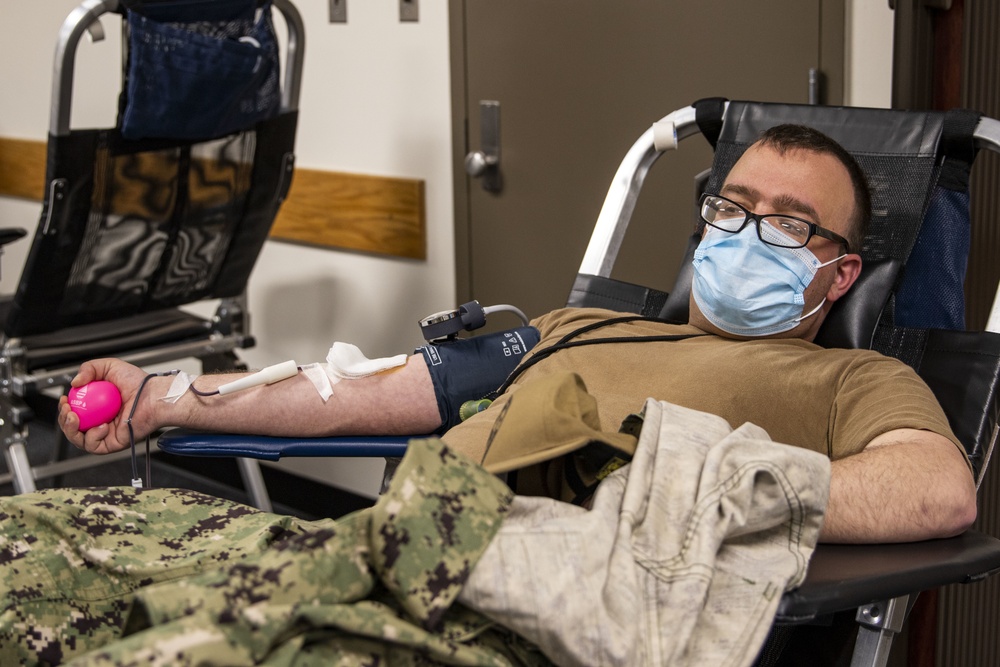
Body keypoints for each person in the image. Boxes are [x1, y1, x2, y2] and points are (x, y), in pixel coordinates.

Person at [56, 123, 977, 545]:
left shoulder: (852, 380)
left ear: (839, 271)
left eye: (787, 223)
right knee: (44, 529)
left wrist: (699, 485)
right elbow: (372, 392)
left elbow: (939, 493)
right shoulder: (578, 327)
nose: (746, 233)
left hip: (532, 602)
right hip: (390, 545)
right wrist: (157, 398)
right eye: (732, 208)